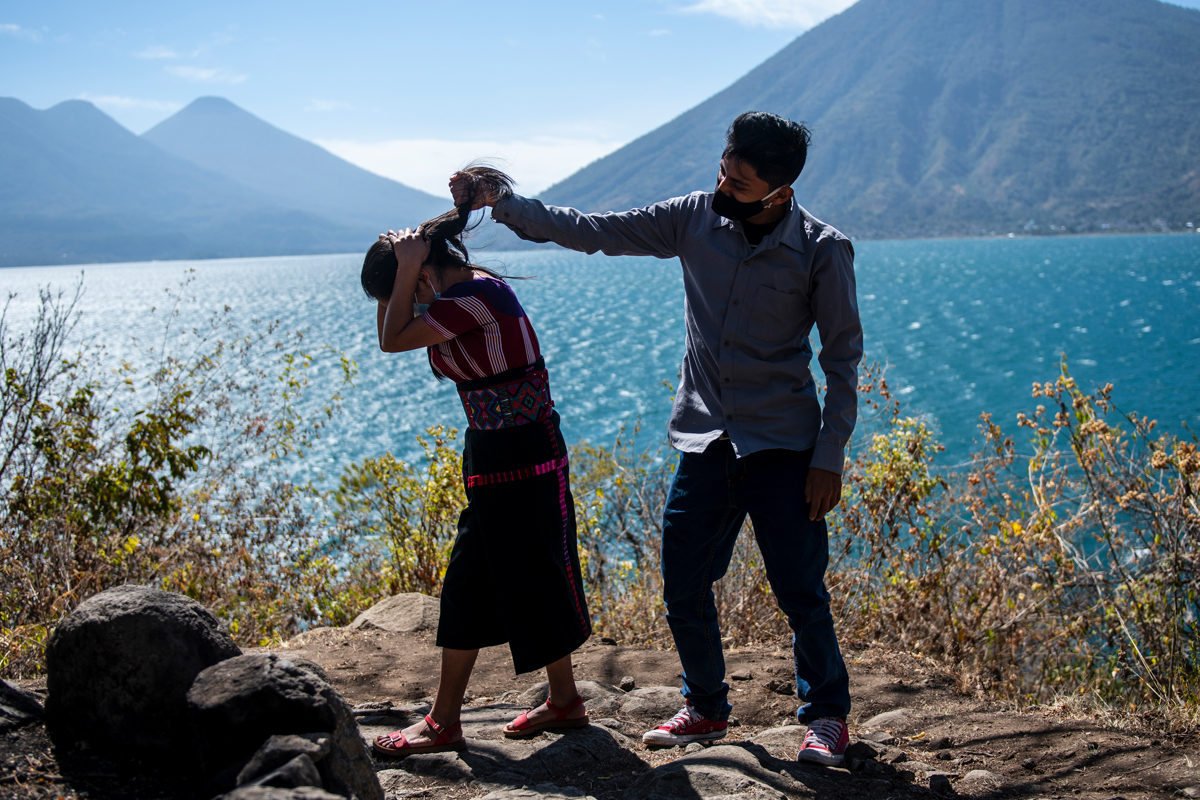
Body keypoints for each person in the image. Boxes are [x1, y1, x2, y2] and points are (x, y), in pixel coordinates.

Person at [450, 113, 862, 766]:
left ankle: (827, 718)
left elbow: (842, 361)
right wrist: (503, 204)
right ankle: (706, 706)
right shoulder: (692, 217)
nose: (723, 186)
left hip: (784, 447)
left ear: (780, 191)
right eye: (723, 171)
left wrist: (828, 458)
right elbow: (593, 232)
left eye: (741, 182)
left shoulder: (822, 248)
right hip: (705, 441)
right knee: (682, 585)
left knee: (801, 592)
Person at [361, 167, 592, 756]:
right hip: (498, 452)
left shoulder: (476, 297)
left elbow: (392, 340)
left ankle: (449, 720)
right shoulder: (466, 295)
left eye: (401, 292)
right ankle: (556, 701)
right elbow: (397, 331)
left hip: (522, 452)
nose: (401, 306)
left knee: (513, 573)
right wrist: (408, 265)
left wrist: (409, 264)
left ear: (424, 273)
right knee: (493, 576)